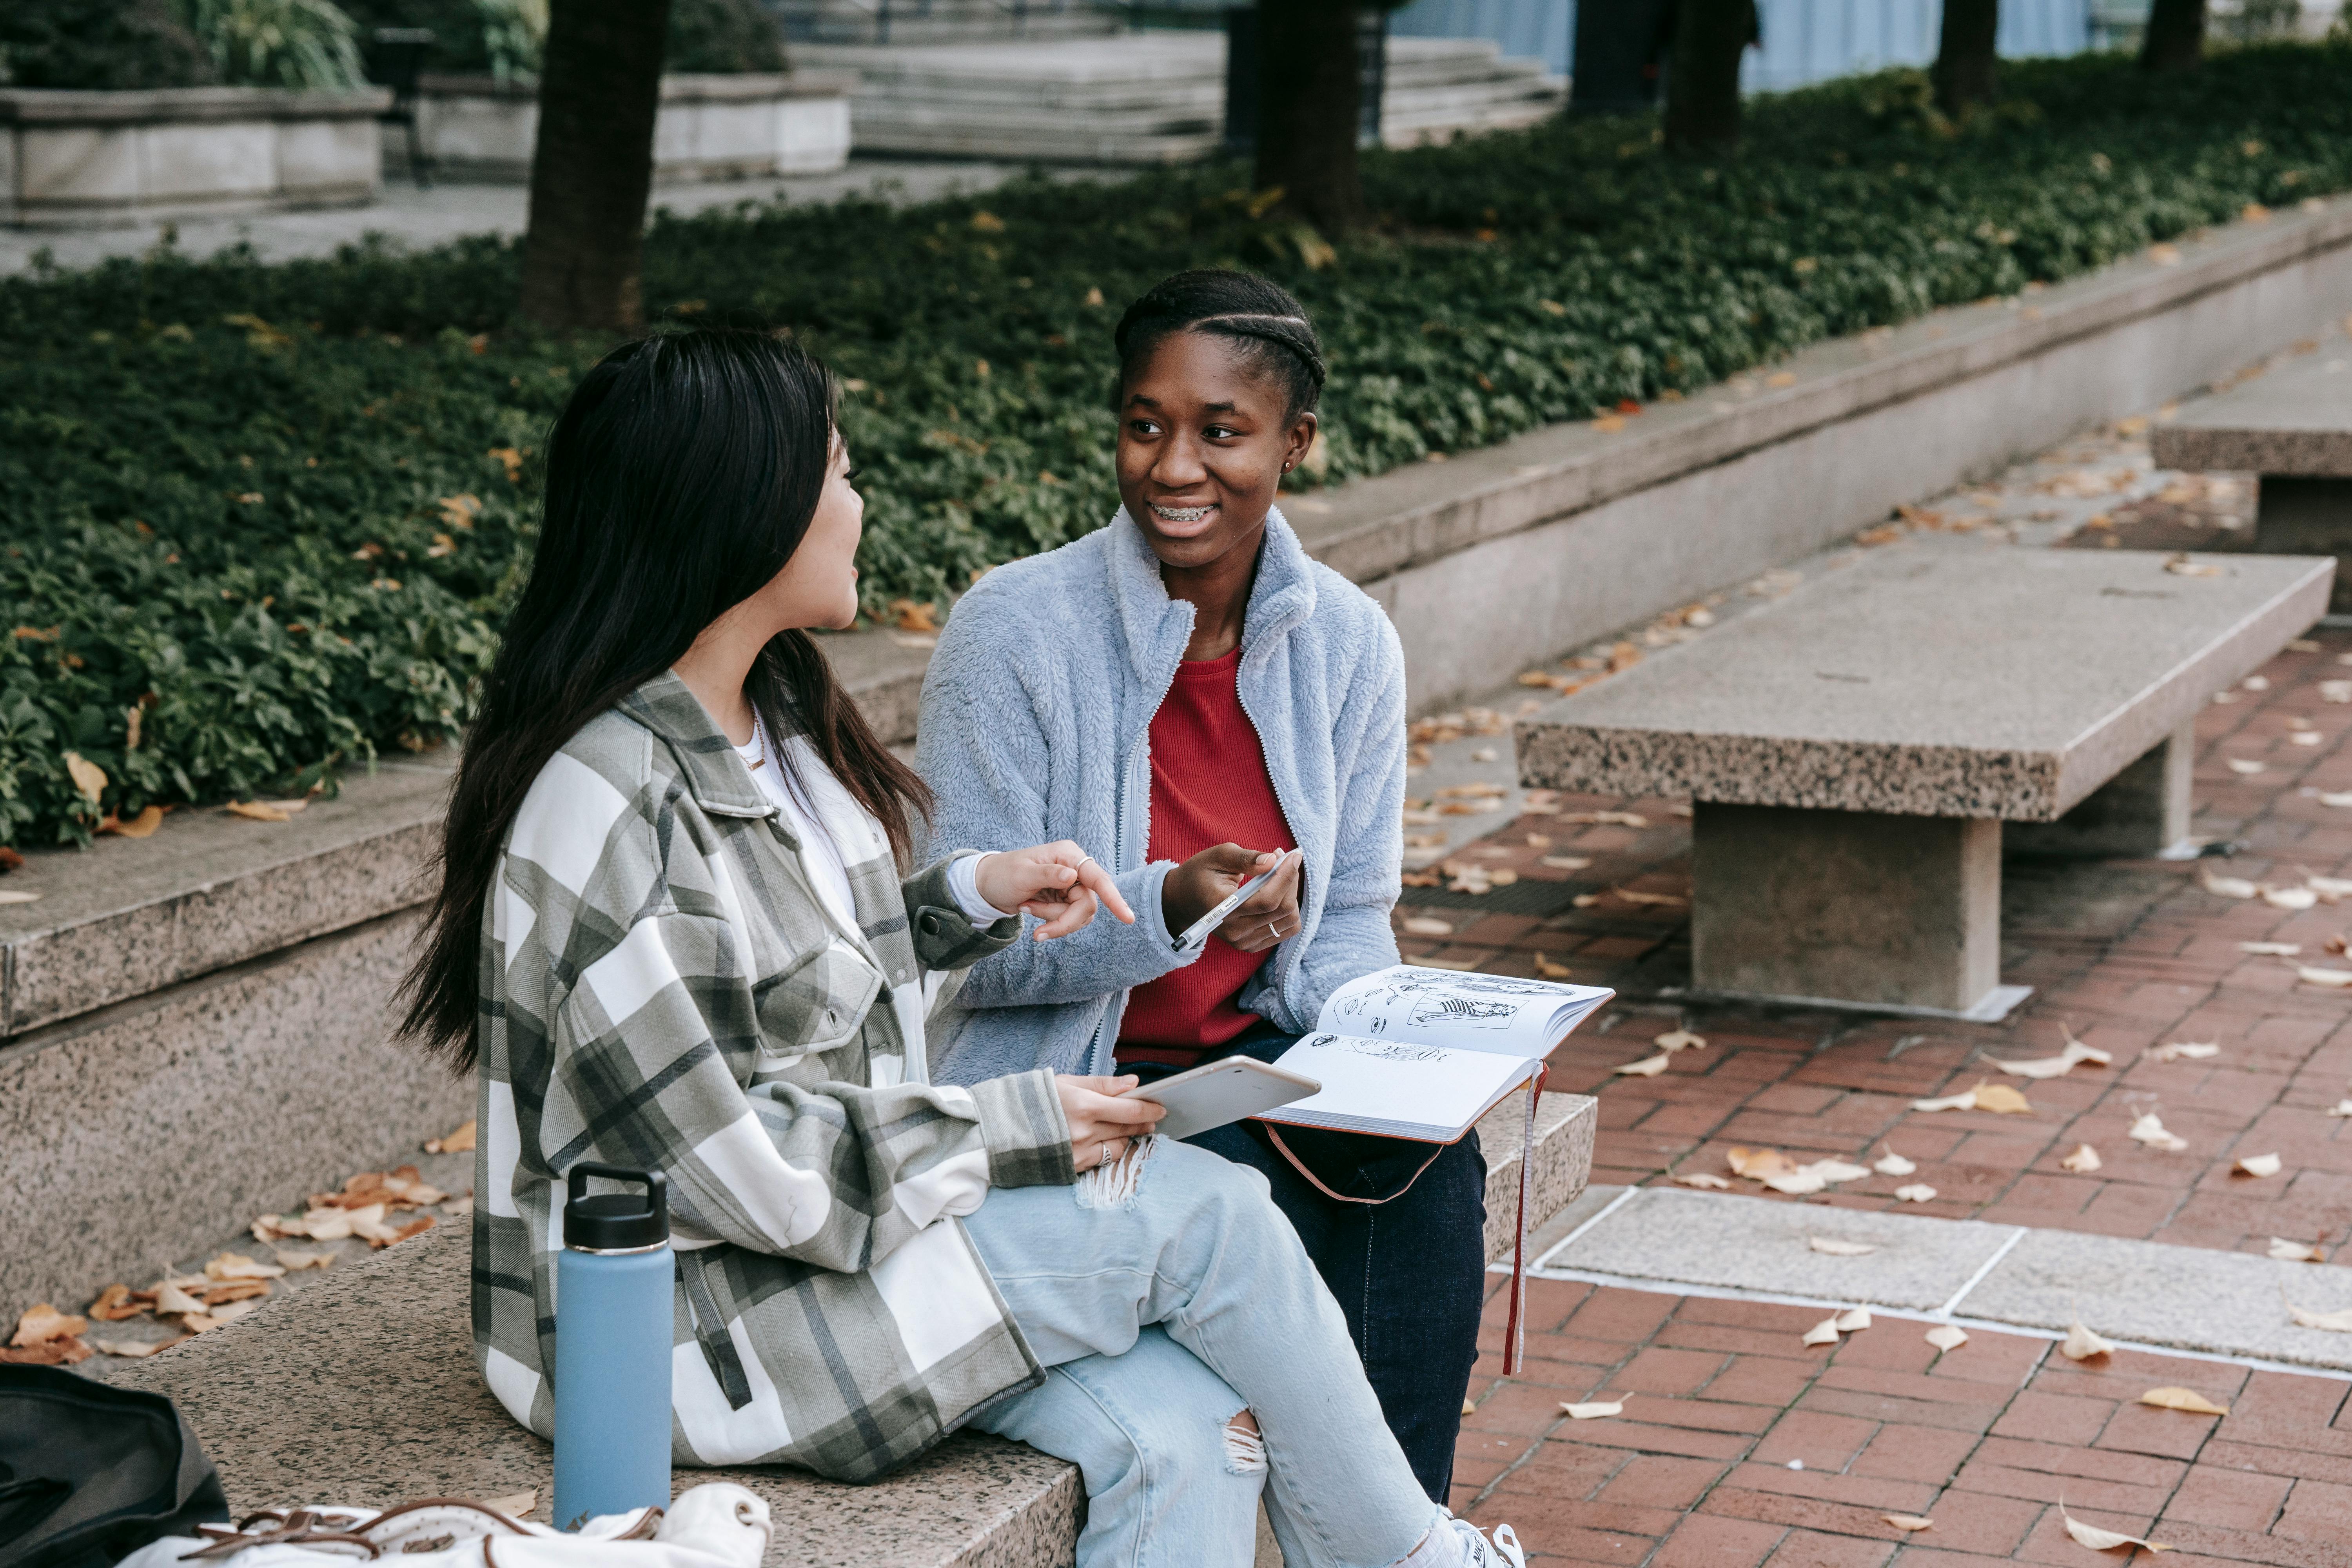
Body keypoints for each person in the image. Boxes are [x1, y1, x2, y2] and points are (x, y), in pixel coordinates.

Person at [397, 328, 1524, 1568]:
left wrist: (966, 898)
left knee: (1195, 1431)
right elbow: (735, 1165)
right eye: (836, 470)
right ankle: (1416, 1558)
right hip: (689, 1322)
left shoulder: (773, 721)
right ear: (742, 507)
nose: (856, 500)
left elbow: (798, 977)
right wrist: (1016, 1130)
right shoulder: (606, 800)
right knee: (1213, 1219)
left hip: (839, 1241)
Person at [916, 269, 1488, 1501]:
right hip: (1075, 1087)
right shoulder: (1014, 631)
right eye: (1144, 424)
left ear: (1296, 442)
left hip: (1260, 1068)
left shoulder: (1346, 641)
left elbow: (1347, 917)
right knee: (1266, 1205)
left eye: (1220, 431)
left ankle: (1402, 1522)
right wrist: (1170, 904)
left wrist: (1398, 1043)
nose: (1175, 466)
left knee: (1429, 1165)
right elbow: (964, 942)